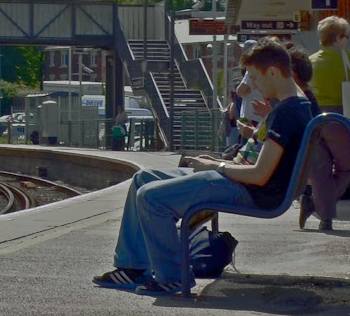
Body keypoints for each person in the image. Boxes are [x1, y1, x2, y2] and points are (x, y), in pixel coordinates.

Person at [92, 39, 314, 296]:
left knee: (150, 197)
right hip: (241, 181)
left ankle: (173, 276)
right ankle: (131, 267)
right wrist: (223, 163)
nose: (253, 84)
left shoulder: (287, 113)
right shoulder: (295, 105)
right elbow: (258, 164)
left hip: (251, 190)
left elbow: (259, 175)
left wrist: (216, 166)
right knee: (143, 178)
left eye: (255, 77)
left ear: (273, 71)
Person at [300, 17, 350, 230]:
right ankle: (316, 206)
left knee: (320, 170)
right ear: (339, 38)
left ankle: (325, 217)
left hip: (312, 119)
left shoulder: (310, 61)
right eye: (347, 37)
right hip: (339, 117)